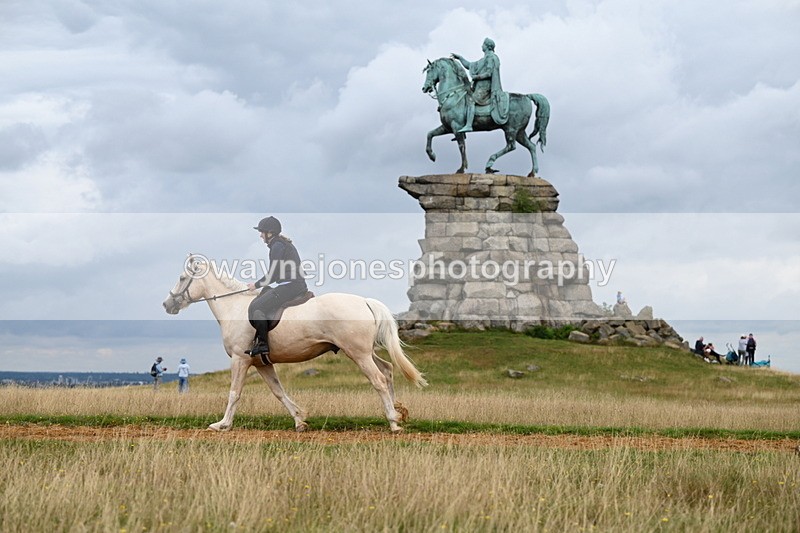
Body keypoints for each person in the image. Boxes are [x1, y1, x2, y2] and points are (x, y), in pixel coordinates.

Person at [245, 216, 308, 358]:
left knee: (257, 307)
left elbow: (273, 273)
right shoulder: (280, 244)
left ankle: (263, 345)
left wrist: (256, 285)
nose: (261, 235)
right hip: (294, 284)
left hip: (290, 286)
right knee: (266, 293)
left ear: (270, 233)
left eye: (262, 232)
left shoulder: (277, 246)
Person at [451, 37, 509, 133]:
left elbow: (489, 73)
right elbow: (469, 65)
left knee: (470, 100)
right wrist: (460, 58)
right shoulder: (483, 59)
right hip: (479, 86)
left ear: (487, 46)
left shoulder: (491, 57)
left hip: (486, 87)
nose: (481, 46)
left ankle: (469, 125)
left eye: (483, 44)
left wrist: (477, 77)